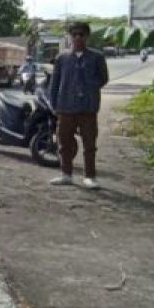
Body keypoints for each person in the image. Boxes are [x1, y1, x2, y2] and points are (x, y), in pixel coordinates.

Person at [49, 21, 109, 189]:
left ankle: (90, 176)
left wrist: (88, 87)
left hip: (88, 108)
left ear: (87, 36)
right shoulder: (62, 58)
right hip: (65, 107)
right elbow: (55, 83)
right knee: (64, 143)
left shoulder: (97, 57)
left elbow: (103, 78)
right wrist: (53, 104)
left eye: (81, 34)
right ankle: (66, 174)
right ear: (69, 37)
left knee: (89, 144)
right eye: (74, 34)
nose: (77, 37)